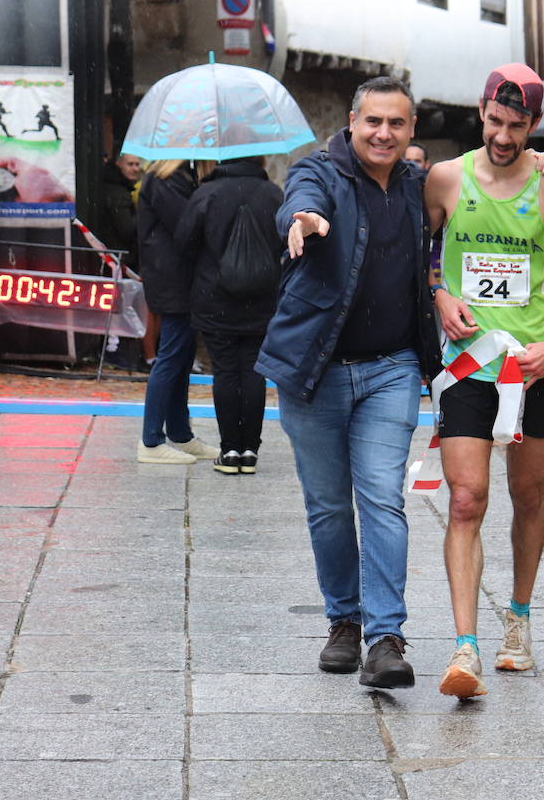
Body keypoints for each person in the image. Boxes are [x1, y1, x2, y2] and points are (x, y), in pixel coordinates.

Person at [256, 76, 439, 690]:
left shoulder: (418, 186)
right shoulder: (320, 174)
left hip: (392, 368)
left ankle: (386, 638)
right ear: (352, 122)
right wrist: (302, 219)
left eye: (397, 124)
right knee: (329, 506)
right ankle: (343, 621)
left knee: (383, 497)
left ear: (411, 130)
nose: (384, 133)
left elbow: (488, 172)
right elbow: (299, 198)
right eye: (373, 122)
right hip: (316, 371)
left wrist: (543, 161)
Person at [423, 62, 544, 699]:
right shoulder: (445, 178)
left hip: (532, 369)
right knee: (467, 499)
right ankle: (465, 647)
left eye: (516, 125)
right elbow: (419, 253)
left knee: (528, 496)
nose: (503, 135)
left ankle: (517, 618)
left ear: (534, 125)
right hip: (468, 365)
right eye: (495, 122)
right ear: (481, 113)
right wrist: (440, 293)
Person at [176, 157, 283, 474]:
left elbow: (184, 242)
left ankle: (230, 449)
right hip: (263, 298)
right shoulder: (273, 194)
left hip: (215, 297)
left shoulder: (206, 194)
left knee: (224, 371)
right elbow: (285, 238)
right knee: (254, 371)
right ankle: (250, 449)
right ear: (260, 158)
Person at [135, 159, 217, 465]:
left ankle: (180, 432)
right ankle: (152, 439)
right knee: (171, 356)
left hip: (177, 277)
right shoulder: (165, 180)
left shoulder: (176, 177)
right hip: (173, 279)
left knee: (181, 356)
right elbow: (187, 227)